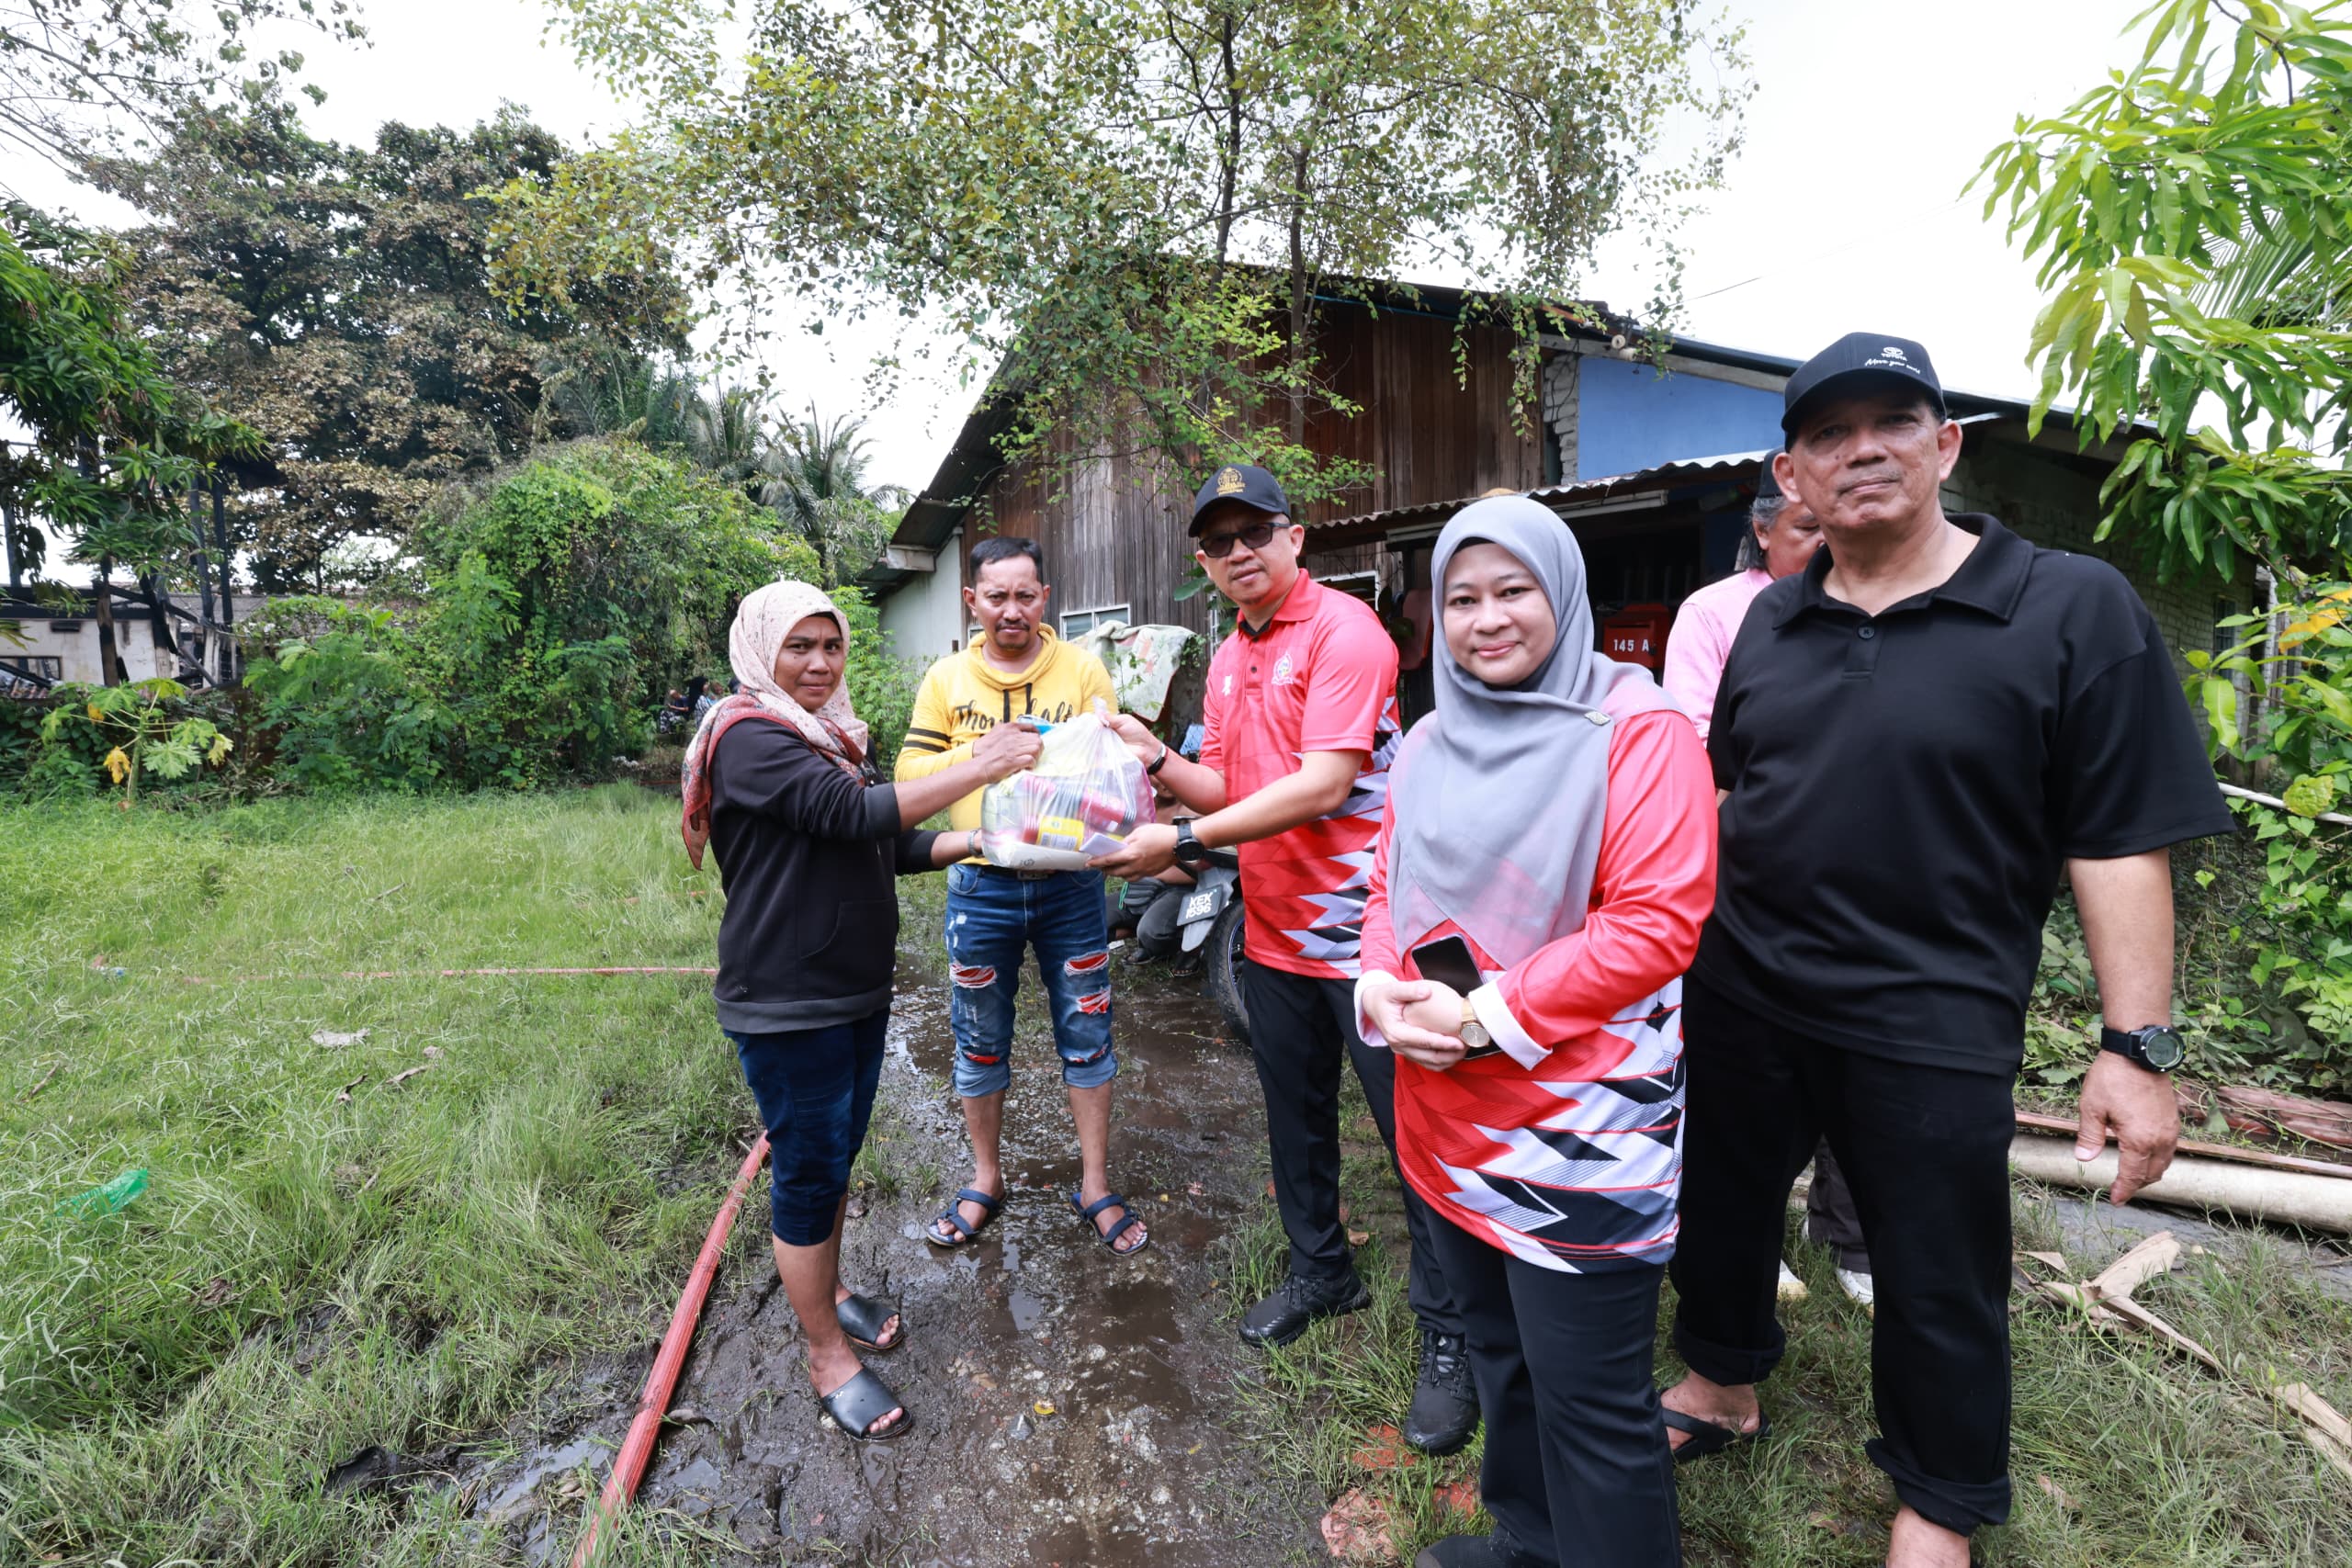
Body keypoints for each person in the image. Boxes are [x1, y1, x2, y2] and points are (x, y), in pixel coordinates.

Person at [1660, 333, 2234, 1568]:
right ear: (1792, 473)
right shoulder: (1773, 620)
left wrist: (2136, 1046)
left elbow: (2122, 835)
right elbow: (1728, 795)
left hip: (1936, 1007)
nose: (1861, 449)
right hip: (1745, 984)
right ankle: (1720, 1382)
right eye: (1828, 433)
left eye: (1892, 422)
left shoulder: (2069, 605)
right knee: (1720, 1207)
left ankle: (1940, 1495)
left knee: (1937, 1264)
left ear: (1945, 443)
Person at [1356, 497, 1716, 1568]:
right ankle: (1527, 1538)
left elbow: (1656, 924)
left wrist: (1483, 1017)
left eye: (1513, 590)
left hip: (1580, 1134)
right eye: (1461, 598)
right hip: (1447, 1124)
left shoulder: (1635, 732)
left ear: (1562, 592)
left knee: (1594, 1404)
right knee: (1504, 1356)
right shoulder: (1426, 739)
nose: (1486, 619)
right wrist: (1378, 987)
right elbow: (1388, 883)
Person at [1094, 464, 1476, 1458]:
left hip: (1371, 942)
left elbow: (1320, 785)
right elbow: (1225, 779)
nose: (1238, 554)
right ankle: (1322, 1273)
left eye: (1254, 532)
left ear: (1295, 539)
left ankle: (1453, 1337)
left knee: (1416, 1140)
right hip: (1272, 933)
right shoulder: (1226, 653)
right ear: (1205, 563)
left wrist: (1180, 843)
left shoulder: (1347, 636)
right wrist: (1148, 756)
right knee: (1295, 1118)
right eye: (1218, 543)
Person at [679, 580, 1044, 1444]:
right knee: (807, 1172)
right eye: (797, 646)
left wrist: (983, 840)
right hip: (786, 999)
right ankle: (824, 1353)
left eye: (829, 645)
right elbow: (850, 814)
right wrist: (983, 764)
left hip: (849, 989)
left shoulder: (828, 740)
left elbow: (883, 839)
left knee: (835, 1154)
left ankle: (832, 1289)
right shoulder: (748, 738)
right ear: (760, 650)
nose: (817, 662)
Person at [896, 536, 1149, 1256]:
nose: (1012, 610)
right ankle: (986, 1179)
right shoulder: (946, 679)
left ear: (1047, 598)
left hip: (1072, 883)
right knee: (978, 1037)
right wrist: (985, 753)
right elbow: (910, 770)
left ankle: (1095, 1184)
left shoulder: (1082, 668)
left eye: (1026, 595)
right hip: (982, 883)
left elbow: (1113, 764)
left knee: (1088, 1031)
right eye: (996, 596)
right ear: (971, 600)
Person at [1661, 461, 1870, 1306]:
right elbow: (1700, 752)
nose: (1826, 544)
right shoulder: (1718, 615)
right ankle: (1754, 1242)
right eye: (1806, 530)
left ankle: (1851, 1238)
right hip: (1746, 877)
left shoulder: (1875, 609)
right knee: (1748, 1079)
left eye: (1832, 527)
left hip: (1859, 883)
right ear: (1762, 530)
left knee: (1857, 1068)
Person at [1107, 784, 1195, 958]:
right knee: (1092, 922)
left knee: (1151, 933)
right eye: (1155, 772)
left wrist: (1149, 868)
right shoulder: (1137, 811)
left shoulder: (1194, 810)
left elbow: (1204, 869)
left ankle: (1188, 947)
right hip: (1142, 890)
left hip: (1183, 890)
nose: (1164, 782)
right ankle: (1141, 930)